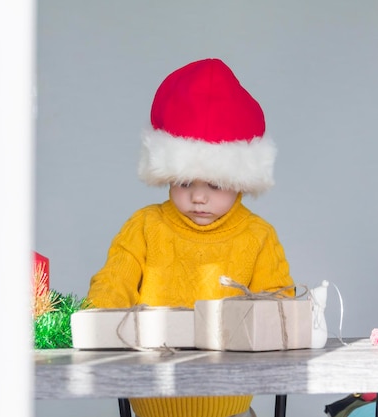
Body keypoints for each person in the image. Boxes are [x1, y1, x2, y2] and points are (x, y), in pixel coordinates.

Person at [87, 58, 295, 417]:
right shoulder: (145, 225)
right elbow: (111, 286)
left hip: (231, 404)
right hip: (151, 402)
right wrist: (101, 323)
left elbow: (278, 305)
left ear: (241, 181)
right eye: (184, 182)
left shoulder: (257, 236)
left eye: (214, 184)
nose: (198, 197)